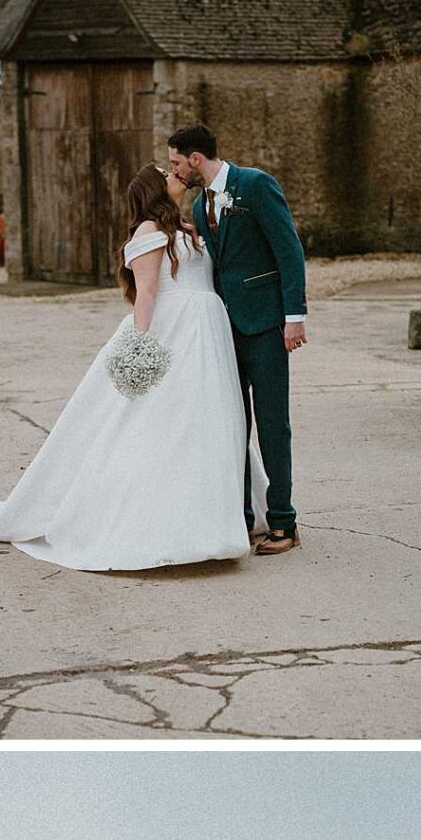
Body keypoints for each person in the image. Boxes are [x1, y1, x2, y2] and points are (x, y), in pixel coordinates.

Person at [0, 165, 250, 572]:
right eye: (165, 172)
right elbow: (147, 294)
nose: (174, 173)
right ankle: (159, 521)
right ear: (154, 190)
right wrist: (142, 347)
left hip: (207, 334)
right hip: (173, 334)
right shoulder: (149, 233)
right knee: (164, 425)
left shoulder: (187, 228)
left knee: (208, 421)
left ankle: (217, 513)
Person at [168, 123, 307, 557]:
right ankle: (243, 519)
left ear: (195, 159)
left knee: (271, 423)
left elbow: (289, 250)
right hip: (222, 329)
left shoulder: (254, 184)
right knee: (233, 425)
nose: (174, 170)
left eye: (176, 162)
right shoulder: (199, 199)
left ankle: (284, 522)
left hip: (266, 324)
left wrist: (294, 316)